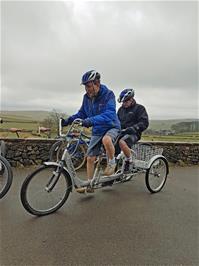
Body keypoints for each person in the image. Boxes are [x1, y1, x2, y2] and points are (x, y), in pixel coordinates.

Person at [61, 70, 121, 192]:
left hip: (111, 126)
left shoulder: (109, 95)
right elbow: (82, 113)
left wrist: (90, 121)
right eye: (85, 87)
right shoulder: (86, 97)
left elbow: (109, 114)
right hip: (98, 129)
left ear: (97, 83)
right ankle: (90, 185)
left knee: (106, 139)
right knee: (90, 158)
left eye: (88, 86)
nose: (87, 89)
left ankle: (111, 163)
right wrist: (67, 121)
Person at [117, 88, 149, 173]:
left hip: (134, 133)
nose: (124, 104)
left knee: (122, 142)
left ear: (131, 99)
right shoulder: (121, 110)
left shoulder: (140, 108)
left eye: (126, 101)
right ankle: (115, 164)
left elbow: (144, 123)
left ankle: (129, 161)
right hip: (122, 132)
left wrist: (134, 128)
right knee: (112, 142)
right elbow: (116, 122)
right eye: (123, 102)